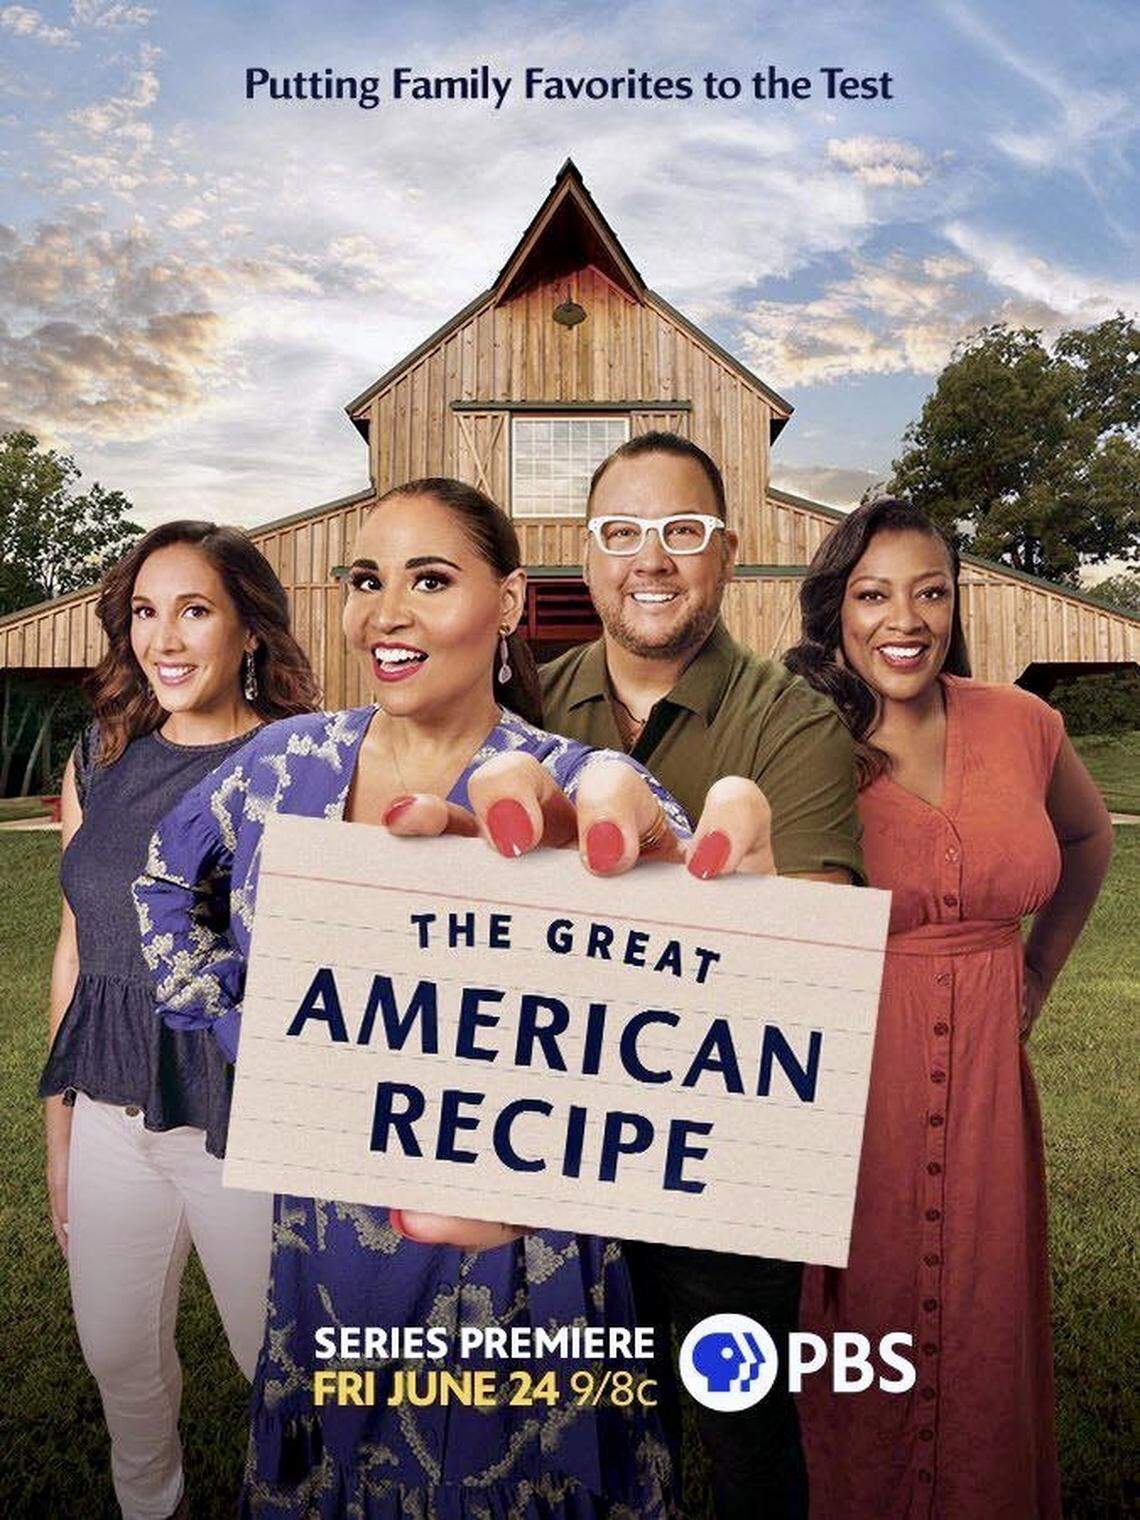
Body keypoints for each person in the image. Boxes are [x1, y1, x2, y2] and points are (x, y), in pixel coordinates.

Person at [132, 478, 779, 1520]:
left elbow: (727, 1011)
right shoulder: (281, 763)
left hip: (531, 1261)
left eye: (429, 579)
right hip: (328, 1244)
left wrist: (737, 950)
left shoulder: (581, 791)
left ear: (511, 601)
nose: (386, 611)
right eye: (366, 580)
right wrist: (241, 1025)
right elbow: (165, 884)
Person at [540, 431, 866, 1519]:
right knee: (579, 1430)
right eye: (621, 533)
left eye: (682, 531)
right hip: (554, 1152)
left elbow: (803, 968)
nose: (651, 558)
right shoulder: (527, 710)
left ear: (729, 551)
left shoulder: (794, 718)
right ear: (585, 557)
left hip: (728, 1162)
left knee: (744, 1438)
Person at [785, 497, 1114, 1519]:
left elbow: (1088, 841)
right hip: (853, 1070)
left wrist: (1039, 974)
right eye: (876, 593)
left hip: (984, 1071)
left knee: (981, 1310)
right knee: (857, 1317)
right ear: (838, 608)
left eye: (931, 591)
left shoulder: (1022, 721)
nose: (906, 618)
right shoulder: (799, 733)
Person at [40, 520, 321, 1520]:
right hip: (111, 1108)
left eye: (194, 608)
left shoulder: (305, 768)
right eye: (147, 612)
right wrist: (61, 1129)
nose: (165, 636)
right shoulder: (98, 757)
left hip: (245, 1128)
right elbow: (78, 945)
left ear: (248, 626)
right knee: (118, 1353)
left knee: (278, 1369)